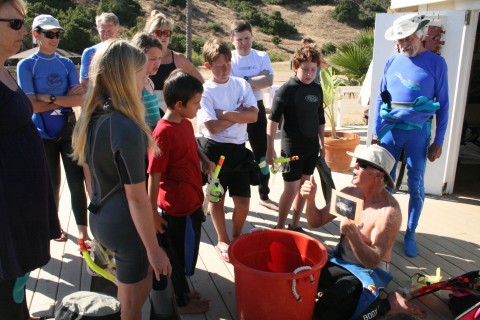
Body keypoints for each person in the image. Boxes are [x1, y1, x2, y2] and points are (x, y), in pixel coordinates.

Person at [71, 39, 171, 319]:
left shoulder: (93, 116)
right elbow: (136, 197)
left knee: (130, 293)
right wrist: (154, 250)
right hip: (128, 228)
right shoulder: (126, 127)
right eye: (142, 76)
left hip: (101, 217)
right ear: (126, 77)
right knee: (131, 308)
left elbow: (89, 175)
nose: (145, 82)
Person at [300, 145, 425, 319]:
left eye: (363, 164)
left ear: (379, 175)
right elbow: (316, 221)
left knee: (331, 306)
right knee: (301, 276)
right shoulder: (350, 194)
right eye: (357, 161)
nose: (355, 165)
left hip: (367, 271)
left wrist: (354, 237)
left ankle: (387, 304)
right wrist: (310, 200)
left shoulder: (387, 211)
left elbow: (373, 260)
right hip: (341, 261)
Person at [0, 0, 61, 319]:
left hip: (20, 209)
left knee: (17, 286)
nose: (25, 31)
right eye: (14, 24)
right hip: (5, 217)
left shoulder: (5, 67)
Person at [372, 14, 449, 258]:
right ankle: (385, 226)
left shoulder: (436, 63)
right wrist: (376, 131)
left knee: (416, 185)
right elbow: (380, 98)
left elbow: (444, 104)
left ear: (421, 35)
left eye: (407, 38)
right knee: (384, 182)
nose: (403, 44)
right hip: (390, 132)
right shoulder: (392, 61)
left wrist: (439, 140)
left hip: (418, 134)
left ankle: (411, 233)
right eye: (399, 39)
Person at [17, 14, 89, 242]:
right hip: (42, 134)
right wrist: (62, 97)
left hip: (68, 131)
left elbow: (79, 101)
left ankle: (82, 232)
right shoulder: (26, 65)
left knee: (76, 183)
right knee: (51, 185)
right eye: (49, 34)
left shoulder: (66, 63)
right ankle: (53, 228)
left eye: (58, 34)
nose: (55, 39)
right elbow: (30, 106)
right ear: (36, 34)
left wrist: (46, 97)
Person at [148, 70, 214, 314]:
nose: (199, 108)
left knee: (187, 254)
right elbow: (153, 177)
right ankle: (181, 303)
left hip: (191, 203)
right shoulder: (162, 133)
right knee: (177, 257)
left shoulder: (184, 123)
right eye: (196, 103)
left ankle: (183, 290)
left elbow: (193, 145)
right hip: (176, 209)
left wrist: (205, 159)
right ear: (178, 105)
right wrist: (152, 213)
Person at [197, 38, 258, 262]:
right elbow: (211, 126)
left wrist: (225, 114)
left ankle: (236, 235)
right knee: (217, 199)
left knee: (243, 201)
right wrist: (238, 113)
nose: (224, 70)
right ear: (208, 67)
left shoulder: (241, 84)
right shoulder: (205, 91)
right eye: (219, 66)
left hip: (240, 150)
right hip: (214, 151)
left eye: (228, 65)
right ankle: (222, 239)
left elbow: (254, 115)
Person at [266, 44, 325, 232]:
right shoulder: (287, 89)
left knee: (304, 188)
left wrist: (323, 144)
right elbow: (273, 120)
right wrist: (270, 149)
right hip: (291, 148)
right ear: (295, 67)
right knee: (291, 189)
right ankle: (280, 226)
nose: (309, 74)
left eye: (313, 70)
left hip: (311, 147)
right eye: (305, 69)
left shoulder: (317, 89)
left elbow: (321, 119)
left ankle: (295, 224)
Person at [230, 20, 278, 211]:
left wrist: (243, 81)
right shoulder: (230, 58)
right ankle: (235, 193)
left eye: (247, 38)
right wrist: (254, 80)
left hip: (256, 107)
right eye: (240, 39)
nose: (244, 43)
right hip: (236, 108)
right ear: (232, 40)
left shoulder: (261, 55)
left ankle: (264, 194)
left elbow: (269, 80)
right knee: (235, 151)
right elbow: (231, 84)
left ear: (252, 36)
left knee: (262, 155)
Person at [144, 10, 204, 117]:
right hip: (146, 116)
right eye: (158, 33)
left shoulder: (178, 59)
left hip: (172, 118)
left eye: (167, 33)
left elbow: (201, 83)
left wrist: (187, 101)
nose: (163, 37)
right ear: (150, 34)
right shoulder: (141, 57)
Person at [130, 32, 163, 131]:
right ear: (137, 57)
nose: (157, 63)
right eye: (152, 59)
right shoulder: (134, 85)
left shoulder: (149, 82)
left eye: (160, 58)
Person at [79, 12, 120, 88]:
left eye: (109, 31)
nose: (106, 35)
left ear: (118, 30)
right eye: (102, 31)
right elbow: (84, 84)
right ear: (97, 29)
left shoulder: (126, 52)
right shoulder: (89, 53)